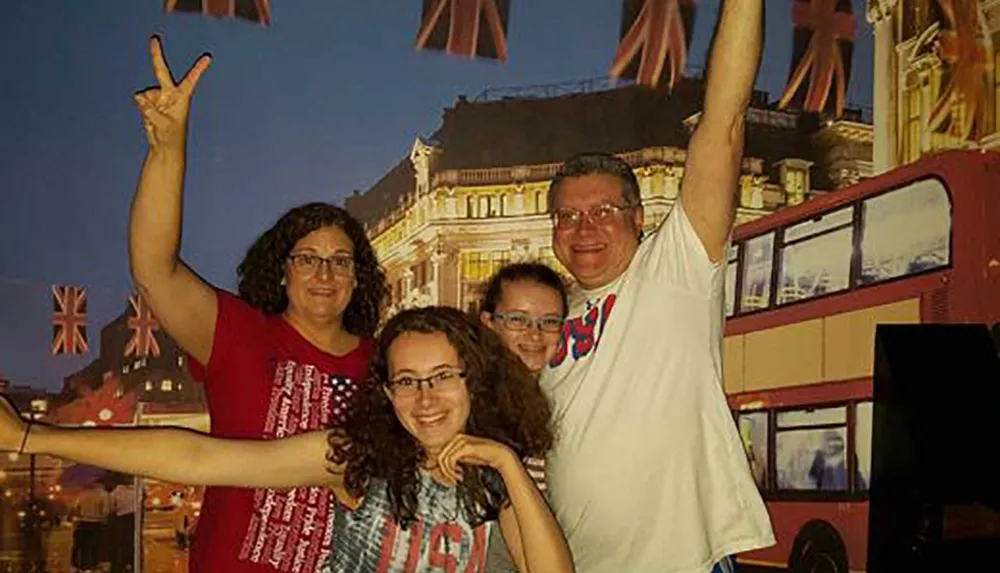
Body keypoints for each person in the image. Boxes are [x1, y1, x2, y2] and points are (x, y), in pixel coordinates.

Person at [1, 307, 574, 573]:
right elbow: (196, 456)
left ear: (473, 380)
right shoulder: (356, 461)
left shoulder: (491, 475)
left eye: (443, 377)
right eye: (406, 381)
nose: (425, 398)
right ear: (387, 391)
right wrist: (31, 435)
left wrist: (508, 466)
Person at [129, 36, 386, 572]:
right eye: (307, 257)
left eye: (341, 261)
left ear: (358, 278)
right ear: (282, 269)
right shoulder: (238, 333)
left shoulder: (385, 364)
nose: (324, 272)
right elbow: (154, 268)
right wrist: (168, 149)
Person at [540, 1, 773, 570]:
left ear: (640, 217)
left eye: (603, 212)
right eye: (567, 217)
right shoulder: (546, 318)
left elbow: (723, 123)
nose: (585, 229)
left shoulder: (674, 270)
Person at [479, 262, 566, 573]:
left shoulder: (563, 399)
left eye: (550, 322)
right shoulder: (466, 399)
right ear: (489, 323)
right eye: (518, 319)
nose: (535, 334)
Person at [70, 482, 110, 573]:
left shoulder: (82, 494)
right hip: (96, 523)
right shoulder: (102, 494)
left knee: (81, 546)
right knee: (95, 546)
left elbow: (76, 508)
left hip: (82, 523)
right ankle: (93, 566)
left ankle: (79, 566)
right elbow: (106, 511)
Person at [108, 476, 137, 573]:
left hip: (121, 518)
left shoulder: (118, 489)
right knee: (133, 542)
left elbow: (111, 505)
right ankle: (132, 564)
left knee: (121, 542)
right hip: (134, 518)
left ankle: (120, 565)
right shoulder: (138, 488)